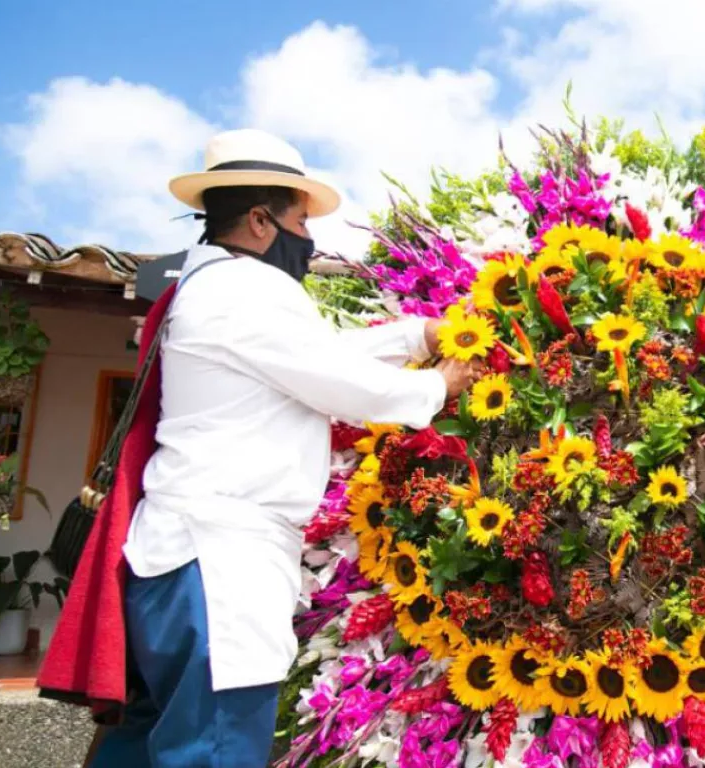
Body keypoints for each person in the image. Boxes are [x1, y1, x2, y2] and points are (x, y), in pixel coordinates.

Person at [72, 129, 475, 766]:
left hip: (182, 563)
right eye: (299, 220)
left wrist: (416, 335)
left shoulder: (211, 290)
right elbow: (341, 384)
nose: (309, 241)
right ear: (260, 222)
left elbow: (309, 358)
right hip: (219, 564)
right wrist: (436, 384)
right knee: (214, 749)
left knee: (147, 747)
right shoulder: (246, 290)